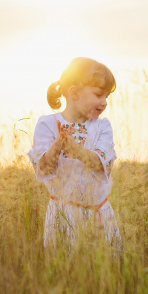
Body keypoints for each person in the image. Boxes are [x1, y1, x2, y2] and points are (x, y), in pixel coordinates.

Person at [27, 57, 122, 256]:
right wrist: (58, 144)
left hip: (99, 215)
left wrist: (75, 149)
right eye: (98, 94)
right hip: (63, 214)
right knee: (66, 273)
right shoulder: (47, 125)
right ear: (74, 92)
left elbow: (99, 164)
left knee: (105, 275)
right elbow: (43, 168)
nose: (104, 102)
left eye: (107, 97)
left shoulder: (102, 126)